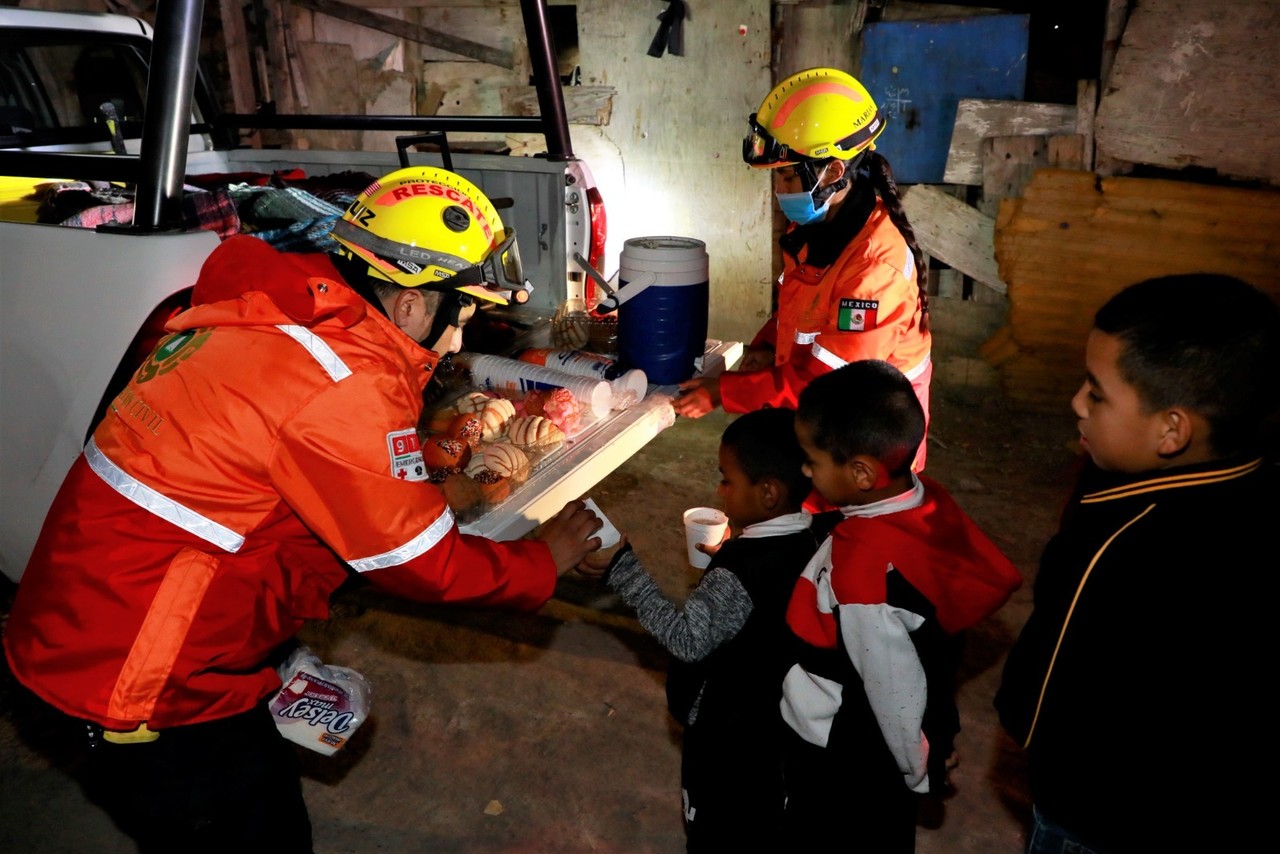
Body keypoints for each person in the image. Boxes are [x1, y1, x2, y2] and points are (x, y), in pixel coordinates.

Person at [2, 166, 603, 854]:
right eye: (461, 316)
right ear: (409, 304)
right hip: (136, 679)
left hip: (92, 615)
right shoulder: (342, 382)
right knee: (253, 831)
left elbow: (271, 500)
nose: (459, 343)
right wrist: (539, 563)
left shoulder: (276, 313)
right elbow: (423, 564)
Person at [994, 273, 1280, 853]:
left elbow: (1033, 703)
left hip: (1099, 816)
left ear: (1172, 430)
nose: (1076, 402)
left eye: (1096, 393)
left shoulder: (1111, 542)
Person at [781, 360, 1022, 852]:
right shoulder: (922, 496)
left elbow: (893, 686)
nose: (804, 469)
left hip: (844, 746)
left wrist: (918, 767)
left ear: (862, 473)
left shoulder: (864, 571)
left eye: (811, 459)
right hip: (891, 716)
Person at [581, 408, 821, 852]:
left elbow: (687, 639)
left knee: (718, 833)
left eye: (727, 479)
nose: (719, 488)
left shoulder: (742, 567)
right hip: (775, 726)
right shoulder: (809, 541)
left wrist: (623, 568)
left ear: (768, 492)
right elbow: (760, 604)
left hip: (728, 740)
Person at [673, 68, 933, 471]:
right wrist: (764, 345)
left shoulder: (872, 270)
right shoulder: (822, 226)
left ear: (832, 171)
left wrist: (723, 392)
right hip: (827, 426)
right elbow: (800, 311)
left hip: (868, 449)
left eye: (788, 174)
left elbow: (830, 384)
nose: (779, 189)